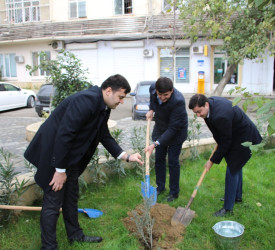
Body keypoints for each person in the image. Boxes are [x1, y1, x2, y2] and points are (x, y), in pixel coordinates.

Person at [24, 74, 143, 249]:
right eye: (121, 97)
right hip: (54, 156)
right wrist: (59, 170)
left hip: (70, 158)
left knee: (71, 198)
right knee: (53, 203)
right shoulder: (85, 101)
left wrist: (126, 156)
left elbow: (103, 134)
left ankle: (75, 235)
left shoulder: (103, 105)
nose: (122, 102)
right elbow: (65, 135)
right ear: (109, 91)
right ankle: (48, 247)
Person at [188, 94, 262, 217]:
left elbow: (225, 143)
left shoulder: (220, 116)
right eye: (196, 113)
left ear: (206, 105)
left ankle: (228, 209)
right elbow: (219, 134)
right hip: (233, 133)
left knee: (232, 168)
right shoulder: (209, 108)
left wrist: (211, 160)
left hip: (245, 136)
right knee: (236, 165)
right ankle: (236, 197)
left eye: (199, 111)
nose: (198, 115)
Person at [144, 77, 188, 202]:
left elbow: (173, 128)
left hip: (176, 132)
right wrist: (151, 109)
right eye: (160, 94)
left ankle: (174, 192)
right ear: (156, 90)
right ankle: (160, 187)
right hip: (161, 127)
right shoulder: (153, 88)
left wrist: (155, 144)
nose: (162, 98)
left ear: (172, 91)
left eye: (166, 95)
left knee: (173, 162)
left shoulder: (178, 101)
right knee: (159, 159)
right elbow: (153, 99)